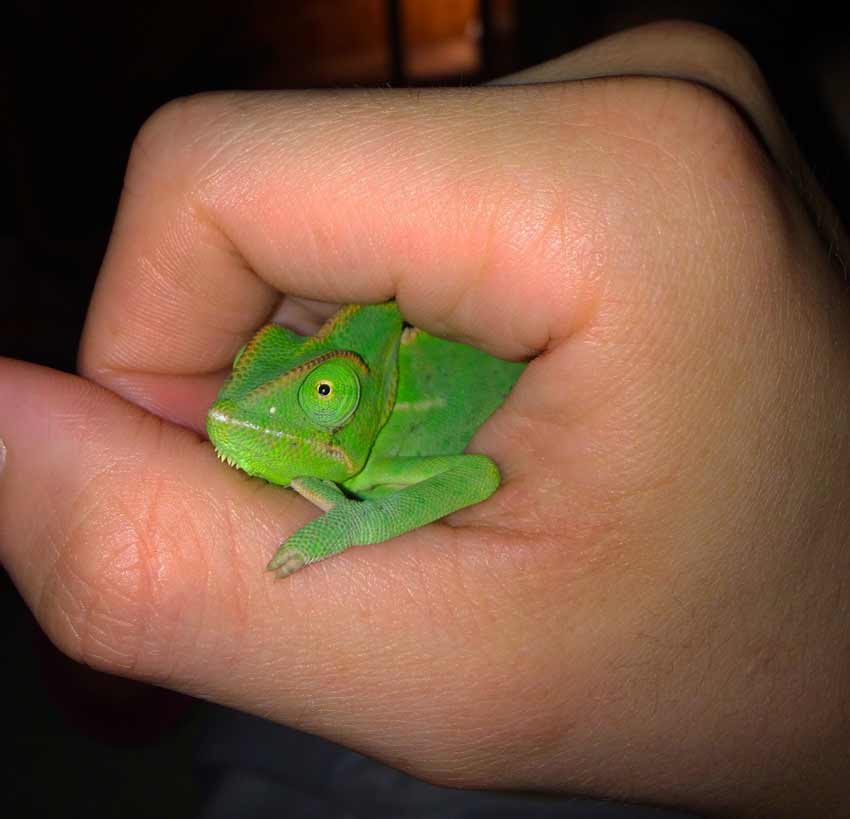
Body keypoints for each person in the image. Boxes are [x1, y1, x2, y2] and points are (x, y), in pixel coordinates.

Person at [1, 20, 847, 818]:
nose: (255, 406)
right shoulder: (328, 406)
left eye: (325, 396)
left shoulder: (379, 451)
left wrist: (357, 527)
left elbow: (476, 473)